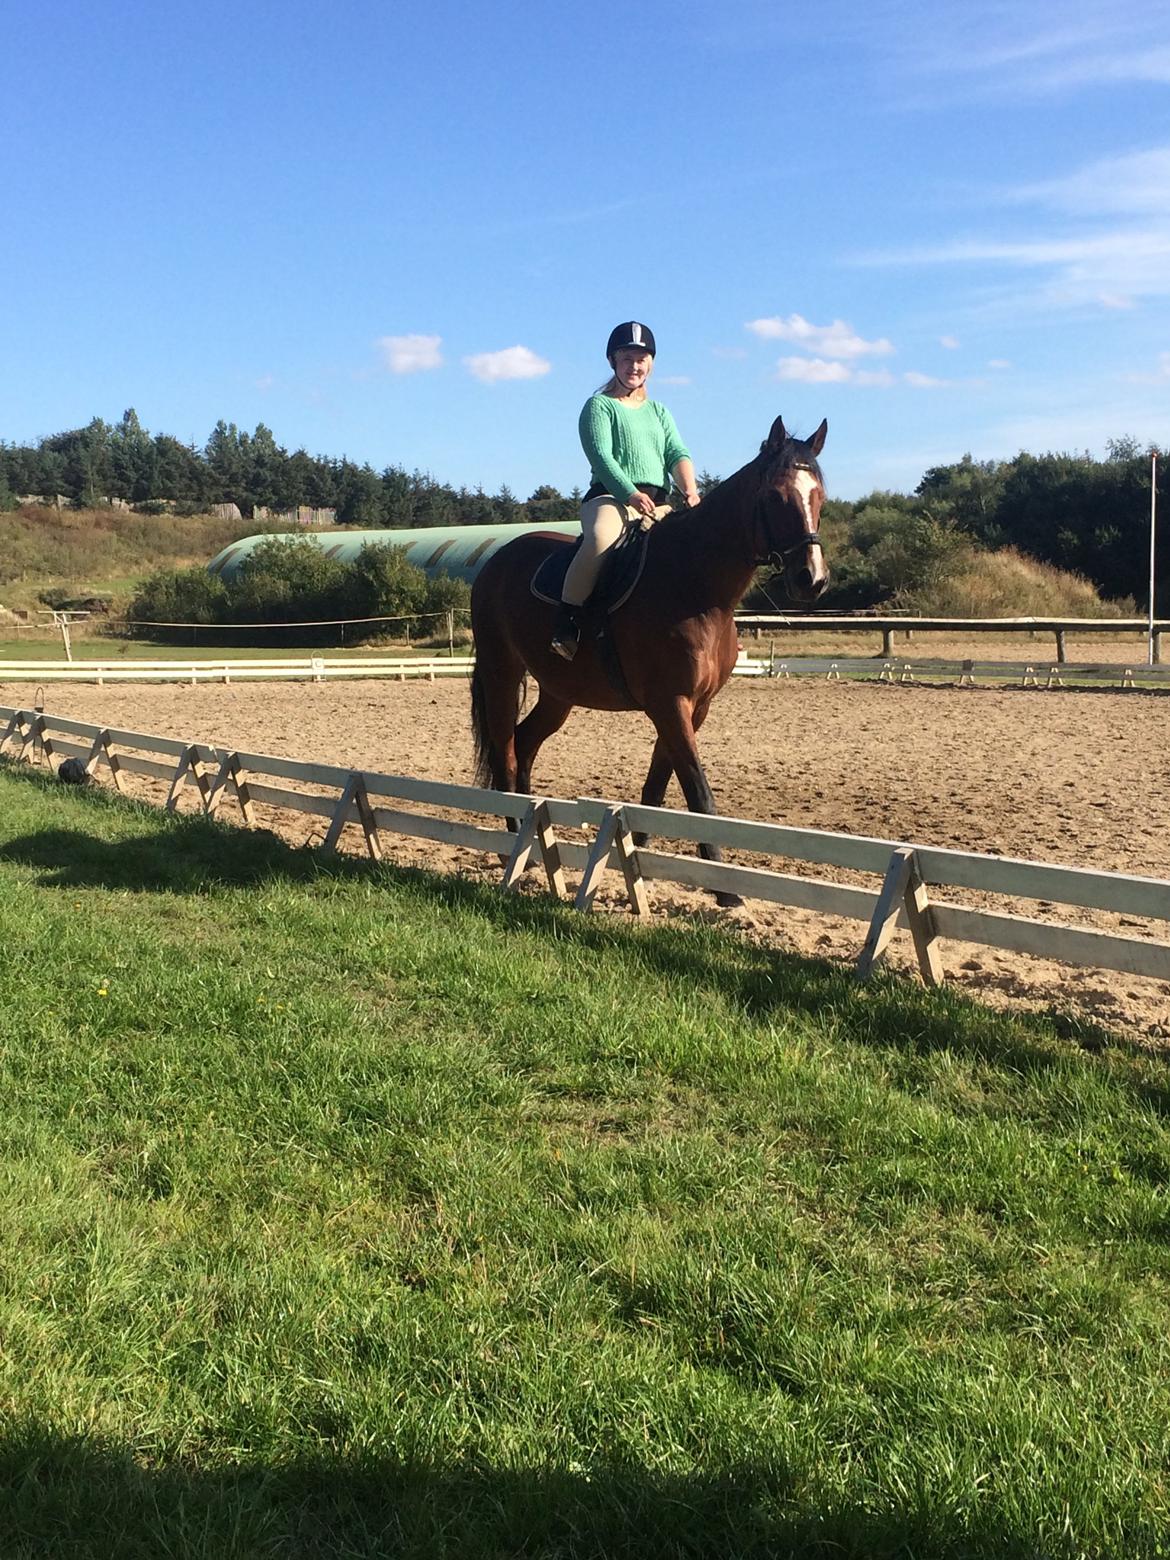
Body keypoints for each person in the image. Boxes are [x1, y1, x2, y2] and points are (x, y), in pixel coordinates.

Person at [550, 321, 700, 660]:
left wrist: (690, 491)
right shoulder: (599, 406)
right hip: (610, 497)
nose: (634, 366)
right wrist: (629, 493)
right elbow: (601, 456)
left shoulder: (659, 412)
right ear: (613, 362)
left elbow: (677, 453)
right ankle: (567, 619)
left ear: (651, 364)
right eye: (627, 359)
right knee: (601, 540)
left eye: (641, 359)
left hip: (658, 503)